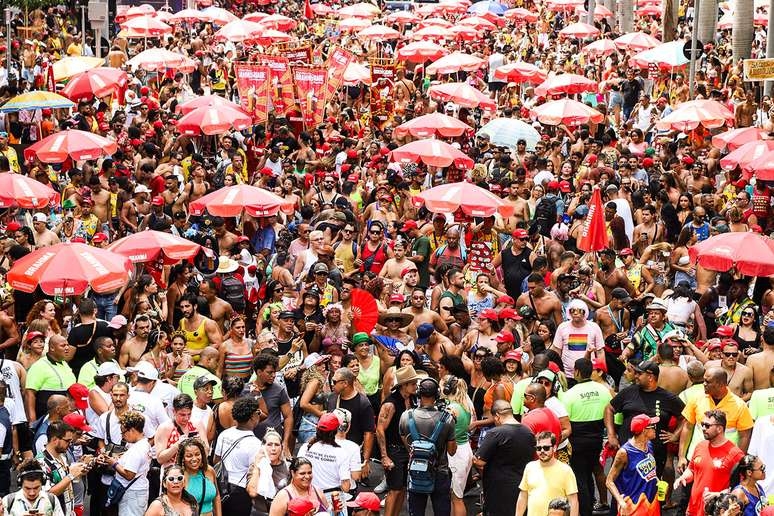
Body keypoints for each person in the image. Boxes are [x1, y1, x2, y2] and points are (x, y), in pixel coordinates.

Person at [559, 358, 612, 516]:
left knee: (580, 475)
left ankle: (585, 509)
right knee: (594, 469)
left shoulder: (569, 394)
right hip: (597, 438)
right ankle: (599, 502)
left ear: (576, 372)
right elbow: (612, 414)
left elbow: (564, 420)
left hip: (577, 439)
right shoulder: (603, 390)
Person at [398, 376, 456, 516]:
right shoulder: (447, 419)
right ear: (437, 394)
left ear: (418, 393)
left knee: (416, 512)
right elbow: (452, 451)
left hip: (416, 471)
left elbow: (407, 444)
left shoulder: (406, 416)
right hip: (440, 472)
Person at [675, 409, 746, 516]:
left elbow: (742, 488)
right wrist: (683, 477)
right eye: (702, 424)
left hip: (716, 511)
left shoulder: (735, 454)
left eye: (707, 426)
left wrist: (718, 494)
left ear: (719, 429)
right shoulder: (700, 446)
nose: (703, 428)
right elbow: (692, 470)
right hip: (693, 509)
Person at [474, 399, 536, 516]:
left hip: (498, 488)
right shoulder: (528, 432)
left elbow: (479, 461)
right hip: (522, 485)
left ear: (497, 416)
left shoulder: (496, 433)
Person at [377, 365, 419, 516]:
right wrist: (384, 456)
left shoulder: (412, 399)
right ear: (404, 385)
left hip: (407, 450)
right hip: (393, 450)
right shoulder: (391, 403)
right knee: (394, 490)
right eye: (413, 383)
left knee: (402, 488)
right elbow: (380, 429)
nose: (416, 386)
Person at [213, 396, 263, 513]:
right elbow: (255, 473)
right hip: (240, 492)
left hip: (220, 487)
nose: (259, 415)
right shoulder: (255, 444)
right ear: (252, 417)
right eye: (258, 412)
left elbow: (216, 460)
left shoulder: (224, 434)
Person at [605, 414, 661, 515]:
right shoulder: (624, 452)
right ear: (644, 430)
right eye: (653, 427)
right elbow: (609, 481)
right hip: (633, 506)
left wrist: (657, 482)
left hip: (652, 503)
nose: (655, 429)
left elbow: (650, 472)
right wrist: (621, 502)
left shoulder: (649, 445)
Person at [515, 430, 579, 516]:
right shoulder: (530, 467)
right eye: (538, 448)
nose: (542, 451)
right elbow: (523, 496)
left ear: (555, 448)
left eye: (546, 448)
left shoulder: (565, 470)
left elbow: (573, 501)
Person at [101, 411, 151, 516]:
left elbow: (129, 475)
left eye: (123, 432)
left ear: (132, 430)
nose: (123, 437)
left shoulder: (137, 449)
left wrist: (113, 463)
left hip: (132, 495)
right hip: (135, 493)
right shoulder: (143, 444)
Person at [297, 413, 352, 497]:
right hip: (333, 498)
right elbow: (346, 487)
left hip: (309, 496)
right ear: (336, 430)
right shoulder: (342, 453)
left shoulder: (305, 448)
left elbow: (297, 474)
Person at [245, 428, 289, 514]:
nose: (273, 448)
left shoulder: (288, 467)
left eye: (277, 445)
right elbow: (253, 493)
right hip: (260, 512)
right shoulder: (255, 466)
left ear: (281, 447)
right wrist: (257, 468)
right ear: (263, 447)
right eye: (269, 445)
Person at [177, 438, 220, 516]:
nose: (194, 459)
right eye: (189, 456)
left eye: (197, 454)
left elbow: (216, 497)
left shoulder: (209, 471)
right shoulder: (180, 476)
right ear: (183, 458)